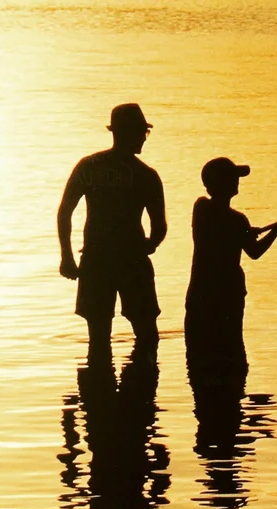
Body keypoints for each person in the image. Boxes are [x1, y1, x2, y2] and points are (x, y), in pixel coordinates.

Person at [57, 103, 167, 363]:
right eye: (142, 132)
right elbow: (159, 226)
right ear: (127, 132)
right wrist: (150, 244)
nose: (144, 138)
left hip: (97, 259)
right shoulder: (146, 175)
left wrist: (67, 257)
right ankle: (141, 394)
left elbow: (65, 212)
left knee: (98, 338)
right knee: (147, 334)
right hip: (133, 260)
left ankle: (98, 395)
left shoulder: (88, 166)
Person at [184, 157, 277, 382]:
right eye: (233, 177)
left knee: (200, 360)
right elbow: (255, 252)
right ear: (223, 182)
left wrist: (246, 231)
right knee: (232, 356)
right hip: (227, 298)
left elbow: (224, 229)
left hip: (200, 296)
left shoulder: (201, 209)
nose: (238, 181)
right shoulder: (237, 221)